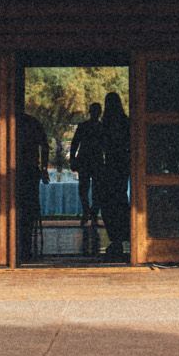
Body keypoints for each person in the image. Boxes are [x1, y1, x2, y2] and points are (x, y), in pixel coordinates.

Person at [94, 88, 130, 260]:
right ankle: (121, 239)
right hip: (121, 168)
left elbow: (100, 147)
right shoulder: (125, 122)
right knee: (120, 202)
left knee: (109, 204)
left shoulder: (106, 125)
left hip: (111, 168)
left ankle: (116, 239)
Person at [69, 102, 103, 255]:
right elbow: (75, 143)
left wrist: (73, 159)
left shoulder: (86, 126)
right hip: (91, 160)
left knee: (89, 188)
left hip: (89, 160)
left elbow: (75, 144)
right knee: (89, 188)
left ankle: (89, 212)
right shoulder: (99, 127)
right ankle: (90, 212)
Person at [17, 109, 50, 261]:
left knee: (28, 206)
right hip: (26, 170)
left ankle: (25, 244)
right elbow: (45, 146)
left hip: (28, 170)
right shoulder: (32, 122)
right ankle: (23, 243)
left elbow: (44, 146)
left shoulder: (30, 123)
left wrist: (43, 168)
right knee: (28, 206)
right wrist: (43, 168)